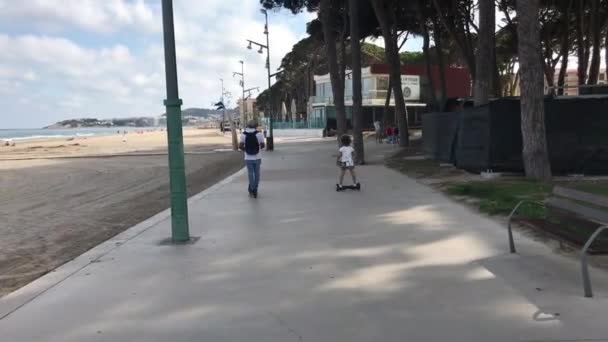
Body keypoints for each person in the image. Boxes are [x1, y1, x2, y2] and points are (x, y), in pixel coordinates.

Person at [239, 120, 265, 198]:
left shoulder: (243, 135)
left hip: (248, 158)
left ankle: (252, 188)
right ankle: (255, 189)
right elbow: (263, 145)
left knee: (250, 173)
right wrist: (258, 148)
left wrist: (246, 150)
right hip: (257, 157)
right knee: (257, 173)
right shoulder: (260, 134)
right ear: (256, 126)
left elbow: (240, 146)